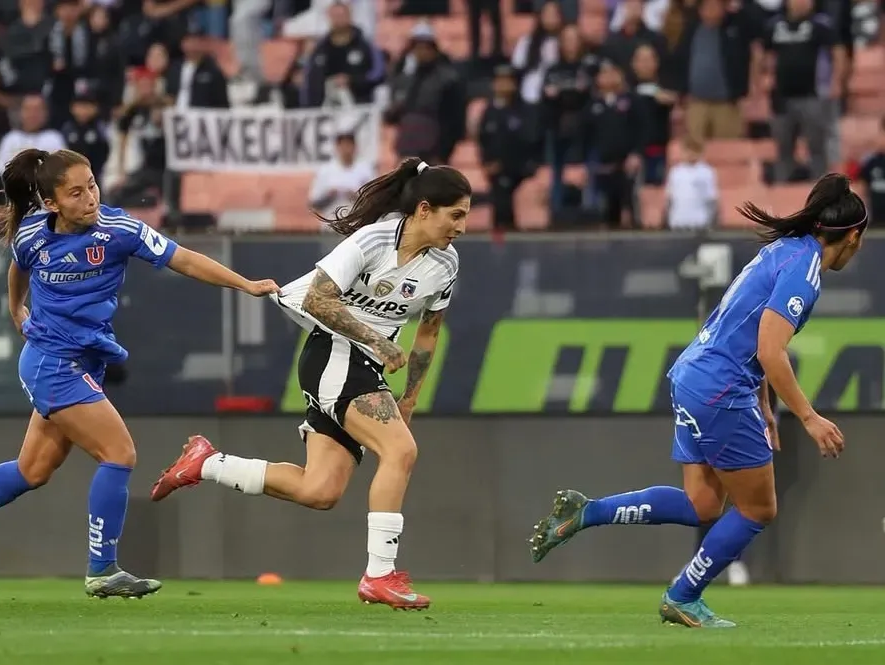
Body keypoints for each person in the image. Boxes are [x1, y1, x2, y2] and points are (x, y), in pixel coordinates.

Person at [0, 148, 279, 598]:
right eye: (75, 192)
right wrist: (16, 308)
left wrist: (244, 284)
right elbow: (18, 267)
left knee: (32, 470)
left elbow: (183, 257)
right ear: (52, 203)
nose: (90, 197)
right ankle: (102, 569)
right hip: (52, 363)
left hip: (81, 362)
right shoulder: (32, 234)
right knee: (119, 452)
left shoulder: (119, 230)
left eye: (91, 184)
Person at [529, 173, 866, 628]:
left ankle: (588, 511)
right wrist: (807, 417)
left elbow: (743, 329)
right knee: (758, 509)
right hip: (722, 387)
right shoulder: (803, 272)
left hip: (693, 376)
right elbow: (769, 349)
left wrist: (765, 405)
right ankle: (683, 596)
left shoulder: (780, 252)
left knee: (702, 505)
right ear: (853, 236)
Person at [150, 158, 471, 610]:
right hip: (335, 356)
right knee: (401, 451)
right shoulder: (374, 240)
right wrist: (378, 340)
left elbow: (428, 333)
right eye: (454, 214)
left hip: (366, 367)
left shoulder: (446, 264)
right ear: (423, 209)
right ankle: (379, 576)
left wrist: (410, 400)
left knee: (319, 491)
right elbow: (319, 299)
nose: (462, 226)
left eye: (466, 215)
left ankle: (207, 463)